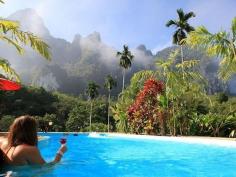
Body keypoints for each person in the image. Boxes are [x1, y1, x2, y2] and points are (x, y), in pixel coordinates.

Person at [0, 115, 67, 166]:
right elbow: (47, 169)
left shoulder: (3, 143)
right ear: (32, 132)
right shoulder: (28, 149)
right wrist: (60, 152)